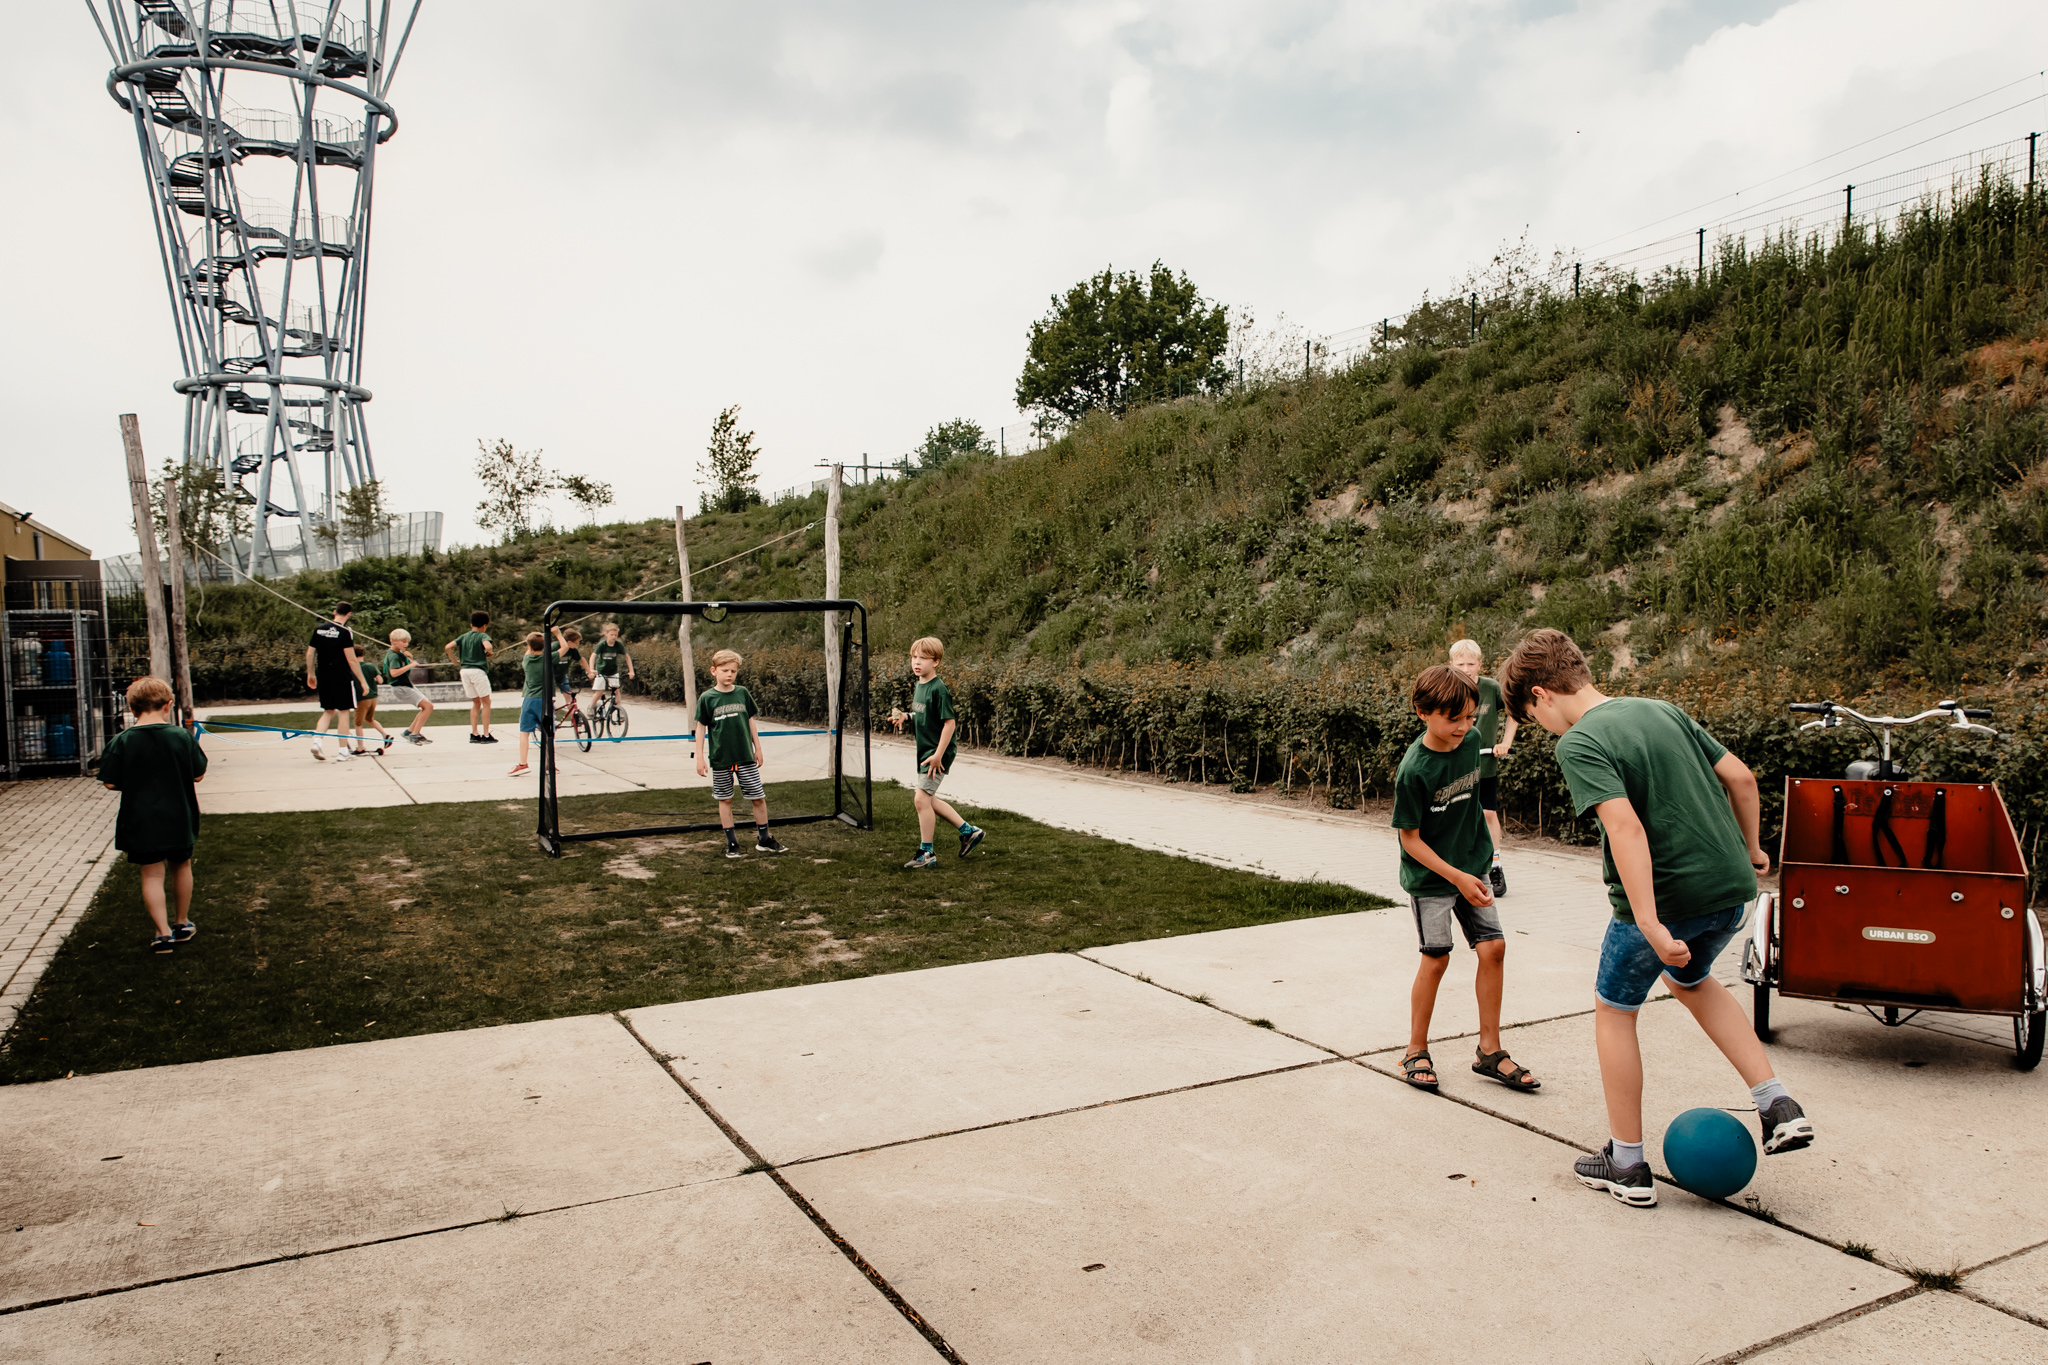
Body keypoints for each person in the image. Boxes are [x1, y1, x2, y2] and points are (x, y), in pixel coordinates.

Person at [1499, 628, 1814, 1209]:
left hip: (1664, 902)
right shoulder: (1660, 709)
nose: (1542, 730)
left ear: (1540, 695)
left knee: (1615, 1011)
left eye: (1528, 716)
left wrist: (1645, 919)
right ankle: (1776, 1103)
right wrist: (1751, 848)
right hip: (1730, 893)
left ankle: (1626, 1162)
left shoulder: (1580, 742)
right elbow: (1741, 778)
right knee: (1692, 981)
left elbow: (1625, 828)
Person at [1391, 665, 1536, 1096]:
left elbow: (1472, 805)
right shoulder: (1414, 770)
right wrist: (1455, 875)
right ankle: (1415, 1049)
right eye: (1453, 718)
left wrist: (1482, 861)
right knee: (1436, 957)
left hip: (1471, 868)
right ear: (1422, 712)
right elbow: (1410, 840)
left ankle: (1489, 1051)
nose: (1464, 727)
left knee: (1494, 948)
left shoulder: (1473, 741)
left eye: (1470, 717)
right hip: (1431, 876)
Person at [98, 677, 207, 953]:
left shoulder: (121, 741)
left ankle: (162, 933)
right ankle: (181, 922)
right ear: (168, 705)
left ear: (132, 709)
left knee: (151, 875)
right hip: (178, 815)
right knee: (181, 865)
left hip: (140, 819)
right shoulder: (181, 737)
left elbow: (110, 781)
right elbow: (199, 774)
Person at [693, 649, 787, 858]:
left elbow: (750, 721)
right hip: (721, 758)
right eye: (725, 670)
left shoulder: (742, 693)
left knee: (758, 798)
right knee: (725, 799)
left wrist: (758, 748)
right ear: (713, 671)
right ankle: (732, 843)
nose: (729, 674)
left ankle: (764, 840)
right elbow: (700, 727)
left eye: (733, 671)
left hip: (745, 756)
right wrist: (699, 757)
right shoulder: (707, 698)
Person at [903, 637, 984, 869]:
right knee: (928, 799)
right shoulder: (920, 685)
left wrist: (938, 755)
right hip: (927, 751)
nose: (916, 662)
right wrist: (906, 717)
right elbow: (922, 715)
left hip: (937, 753)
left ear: (936, 661)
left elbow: (949, 723)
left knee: (921, 799)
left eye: (922, 658)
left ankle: (927, 854)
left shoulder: (939, 689)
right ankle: (969, 832)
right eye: (914, 657)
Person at [1450, 638, 1517, 897]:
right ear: (1452, 664)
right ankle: (1456, 864)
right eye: (1460, 664)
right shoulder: (1449, 688)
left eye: (1470, 663)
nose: (1466, 669)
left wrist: (1505, 742)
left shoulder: (1490, 688)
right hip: (1456, 764)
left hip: (1485, 762)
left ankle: (1495, 865)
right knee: (1457, 812)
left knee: (1488, 813)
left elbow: (1514, 712)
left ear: (1479, 664)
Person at [305, 601, 371, 762]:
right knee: (343, 712)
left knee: (328, 710)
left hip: (324, 675)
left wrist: (310, 674)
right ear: (348, 614)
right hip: (341, 676)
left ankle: (317, 741)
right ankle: (343, 751)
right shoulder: (345, 632)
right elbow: (352, 660)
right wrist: (363, 681)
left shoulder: (319, 630)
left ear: (334, 612)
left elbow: (309, 654)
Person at [443, 610, 497, 744]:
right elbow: (488, 645)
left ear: (471, 624)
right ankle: (485, 735)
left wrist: (454, 661)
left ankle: (474, 733)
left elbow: (448, 646)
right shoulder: (482, 636)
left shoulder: (463, 637)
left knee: (476, 703)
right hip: (477, 672)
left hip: (465, 671)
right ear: (485, 625)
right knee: (486, 703)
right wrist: (489, 651)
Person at [380, 629, 436, 744]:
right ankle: (414, 734)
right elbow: (394, 673)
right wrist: (411, 664)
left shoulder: (398, 654)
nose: (406, 644)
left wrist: (409, 658)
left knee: (427, 706)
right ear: (394, 641)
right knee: (428, 707)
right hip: (401, 687)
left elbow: (403, 668)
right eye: (403, 641)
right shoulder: (393, 656)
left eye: (407, 642)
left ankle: (409, 732)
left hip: (406, 685)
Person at [352, 647, 394, 753]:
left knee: (358, 724)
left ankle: (360, 746)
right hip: (373, 697)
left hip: (362, 698)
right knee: (370, 719)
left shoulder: (353, 667)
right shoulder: (371, 666)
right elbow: (380, 680)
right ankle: (385, 735)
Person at [588, 621, 635, 700]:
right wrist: (591, 669)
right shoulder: (602, 645)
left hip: (613, 671)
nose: (614, 637)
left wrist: (631, 671)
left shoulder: (618, 645)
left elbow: (627, 656)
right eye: (612, 634)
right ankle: (591, 707)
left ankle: (619, 708)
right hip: (601, 671)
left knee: (616, 690)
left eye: (615, 635)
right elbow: (593, 656)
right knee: (599, 692)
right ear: (606, 634)